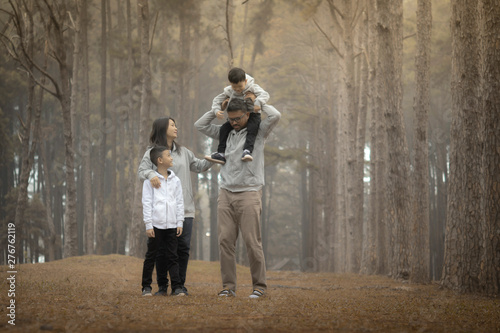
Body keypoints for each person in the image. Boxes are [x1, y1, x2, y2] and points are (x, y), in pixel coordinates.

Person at [195, 95, 281, 298]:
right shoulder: (225, 132)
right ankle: (228, 287)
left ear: (248, 114)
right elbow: (200, 125)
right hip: (226, 193)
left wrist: (259, 103)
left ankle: (259, 286)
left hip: (249, 192)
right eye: (230, 119)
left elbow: (276, 116)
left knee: (252, 242)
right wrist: (217, 108)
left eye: (238, 119)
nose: (233, 123)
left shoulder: (258, 132)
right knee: (225, 241)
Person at [138, 117, 212, 296]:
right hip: (162, 213)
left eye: (176, 124)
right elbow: (142, 171)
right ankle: (162, 287)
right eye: (172, 125)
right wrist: (151, 174)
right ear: (162, 129)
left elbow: (199, 166)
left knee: (182, 249)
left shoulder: (184, 152)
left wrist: (213, 159)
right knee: (162, 250)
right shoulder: (152, 152)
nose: (176, 128)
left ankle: (179, 285)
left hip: (184, 208)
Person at [142, 146, 185, 296]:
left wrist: (179, 222)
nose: (172, 158)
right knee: (153, 256)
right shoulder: (149, 181)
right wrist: (149, 224)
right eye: (168, 155)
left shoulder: (176, 180)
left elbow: (179, 202)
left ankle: (177, 287)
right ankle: (148, 287)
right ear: (160, 160)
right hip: (156, 225)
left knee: (173, 256)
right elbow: (147, 203)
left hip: (172, 225)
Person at [205, 67, 270, 165]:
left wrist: (257, 102)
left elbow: (265, 95)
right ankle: (221, 153)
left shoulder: (252, 87)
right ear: (230, 84)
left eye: (240, 87)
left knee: (252, 129)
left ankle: (247, 151)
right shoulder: (229, 91)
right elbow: (216, 100)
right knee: (223, 129)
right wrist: (217, 110)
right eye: (234, 87)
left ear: (246, 81)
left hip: (252, 114)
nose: (238, 90)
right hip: (236, 117)